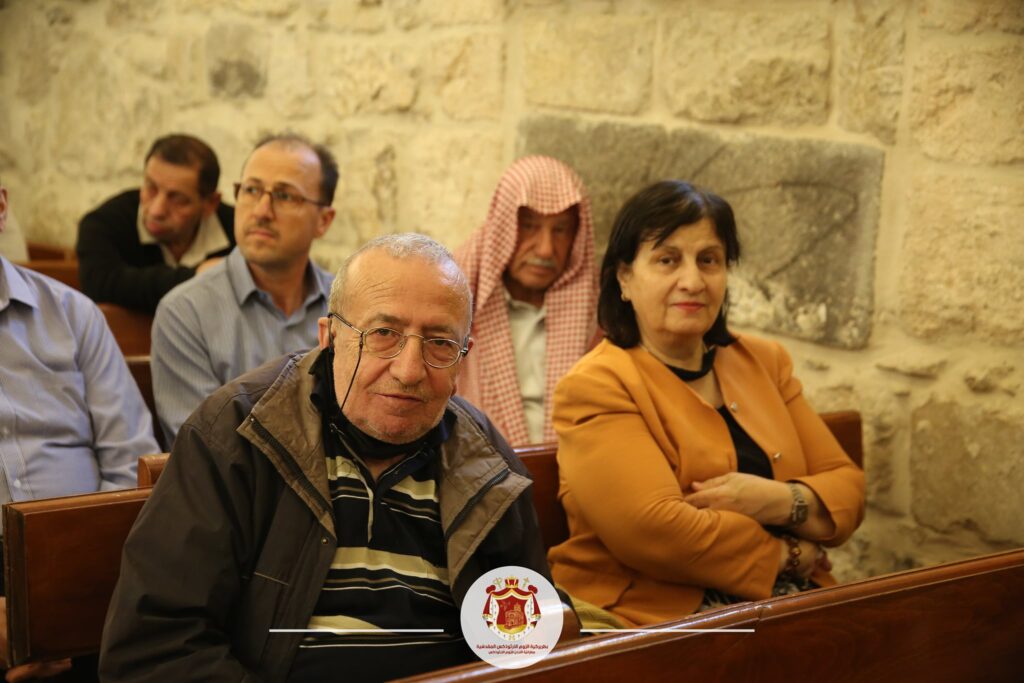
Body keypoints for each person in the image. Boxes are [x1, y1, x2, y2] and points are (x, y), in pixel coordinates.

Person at [99, 234, 554, 682]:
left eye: (440, 343)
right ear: (329, 338)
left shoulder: (485, 462)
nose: (409, 370)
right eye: (383, 334)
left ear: (462, 358)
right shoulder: (237, 433)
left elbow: (521, 639)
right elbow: (154, 648)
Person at [548, 180, 865, 626]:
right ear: (624, 278)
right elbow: (656, 532)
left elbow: (848, 489)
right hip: (653, 617)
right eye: (667, 260)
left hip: (786, 603)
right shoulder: (596, 384)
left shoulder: (765, 362)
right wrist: (788, 553)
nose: (693, 281)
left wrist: (771, 499)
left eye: (709, 260)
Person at [1, 180, 159, 680]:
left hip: (85, 555)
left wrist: (82, 582)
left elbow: (128, 458)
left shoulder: (71, 314)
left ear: (1, 207)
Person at [150, 134, 337, 444]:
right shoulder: (185, 312)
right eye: (251, 190)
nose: (261, 211)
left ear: (324, 220)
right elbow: (206, 449)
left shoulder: (348, 308)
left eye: (284, 196)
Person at [454, 156, 598, 445]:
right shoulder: (459, 292)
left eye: (560, 230)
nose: (545, 249)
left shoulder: (595, 312)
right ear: (503, 227)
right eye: (529, 226)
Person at [77, 134, 236, 313]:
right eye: (151, 188)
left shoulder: (238, 229)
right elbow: (100, 286)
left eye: (178, 198)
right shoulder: (104, 223)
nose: (156, 211)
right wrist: (197, 278)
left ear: (210, 203)